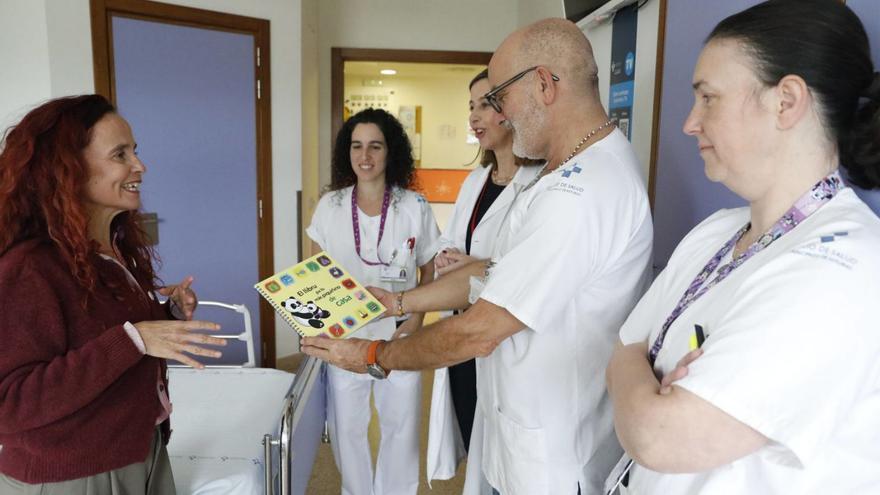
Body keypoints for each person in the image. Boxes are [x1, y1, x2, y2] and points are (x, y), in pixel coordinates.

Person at [303, 18, 653, 495]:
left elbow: (480, 326)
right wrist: (397, 303)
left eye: (501, 97)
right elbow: (493, 272)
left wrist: (373, 354)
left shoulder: (583, 191)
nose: (498, 113)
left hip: (554, 448)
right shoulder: (563, 175)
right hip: (521, 424)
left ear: (545, 85)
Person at [605, 1, 880, 493]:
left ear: (787, 101)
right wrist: (644, 381)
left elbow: (659, 437)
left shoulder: (843, 266)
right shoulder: (718, 231)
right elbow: (624, 348)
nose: (690, 123)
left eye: (708, 98)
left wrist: (646, 382)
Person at [0, 95, 226, 494]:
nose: (140, 166)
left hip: (137, 450)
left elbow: (111, 339)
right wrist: (136, 338)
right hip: (74, 474)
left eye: (134, 151)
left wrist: (165, 317)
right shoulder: (29, 269)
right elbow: (11, 403)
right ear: (67, 169)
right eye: (119, 154)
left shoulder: (108, 252)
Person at [306, 108, 440, 495]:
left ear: (390, 151)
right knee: (348, 429)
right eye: (357, 146)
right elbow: (315, 272)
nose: (365, 156)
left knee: (401, 428)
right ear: (347, 152)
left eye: (375, 146)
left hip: (400, 336)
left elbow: (429, 271)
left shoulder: (414, 207)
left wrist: (414, 321)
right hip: (347, 338)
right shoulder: (330, 207)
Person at [426, 68, 543, 489]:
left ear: (511, 110)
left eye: (486, 105)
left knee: (502, 457)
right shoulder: (476, 181)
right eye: (471, 107)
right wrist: (447, 257)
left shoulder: (541, 183)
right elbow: (449, 241)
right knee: (474, 434)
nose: (475, 117)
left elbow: (529, 266)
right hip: (462, 333)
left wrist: (471, 264)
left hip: (504, 339)